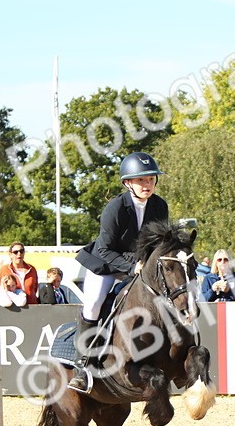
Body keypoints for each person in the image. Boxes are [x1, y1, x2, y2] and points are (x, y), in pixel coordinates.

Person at [68, 151, 169, 391]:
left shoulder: (159, 206)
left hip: (139, 265)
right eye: (141, 180)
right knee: (93, 303)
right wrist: (131, 267)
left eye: (151, 179)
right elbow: (104, 250)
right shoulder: (115, 208)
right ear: (127, 183)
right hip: (107, 264)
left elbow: (159, 243)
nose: (147, 184)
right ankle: (82, 365)